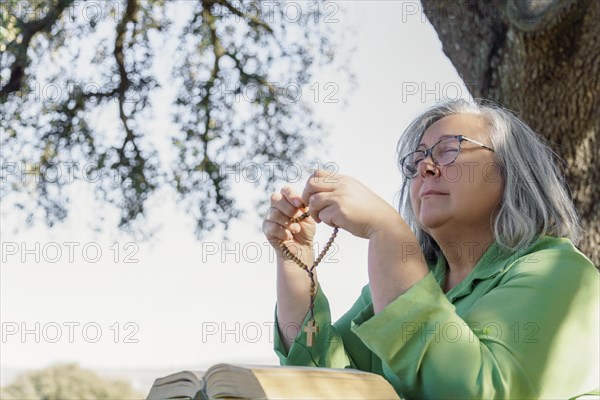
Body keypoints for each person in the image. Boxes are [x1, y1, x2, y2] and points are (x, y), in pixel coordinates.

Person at [261, 99, 599, 399]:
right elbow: (319, 380)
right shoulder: (413, 281)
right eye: (418, 158)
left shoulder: (561, 271)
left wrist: (388, 232)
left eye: (450, 149)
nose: (426, 166)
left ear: (512, 173)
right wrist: (296, 258)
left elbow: (479, 392)